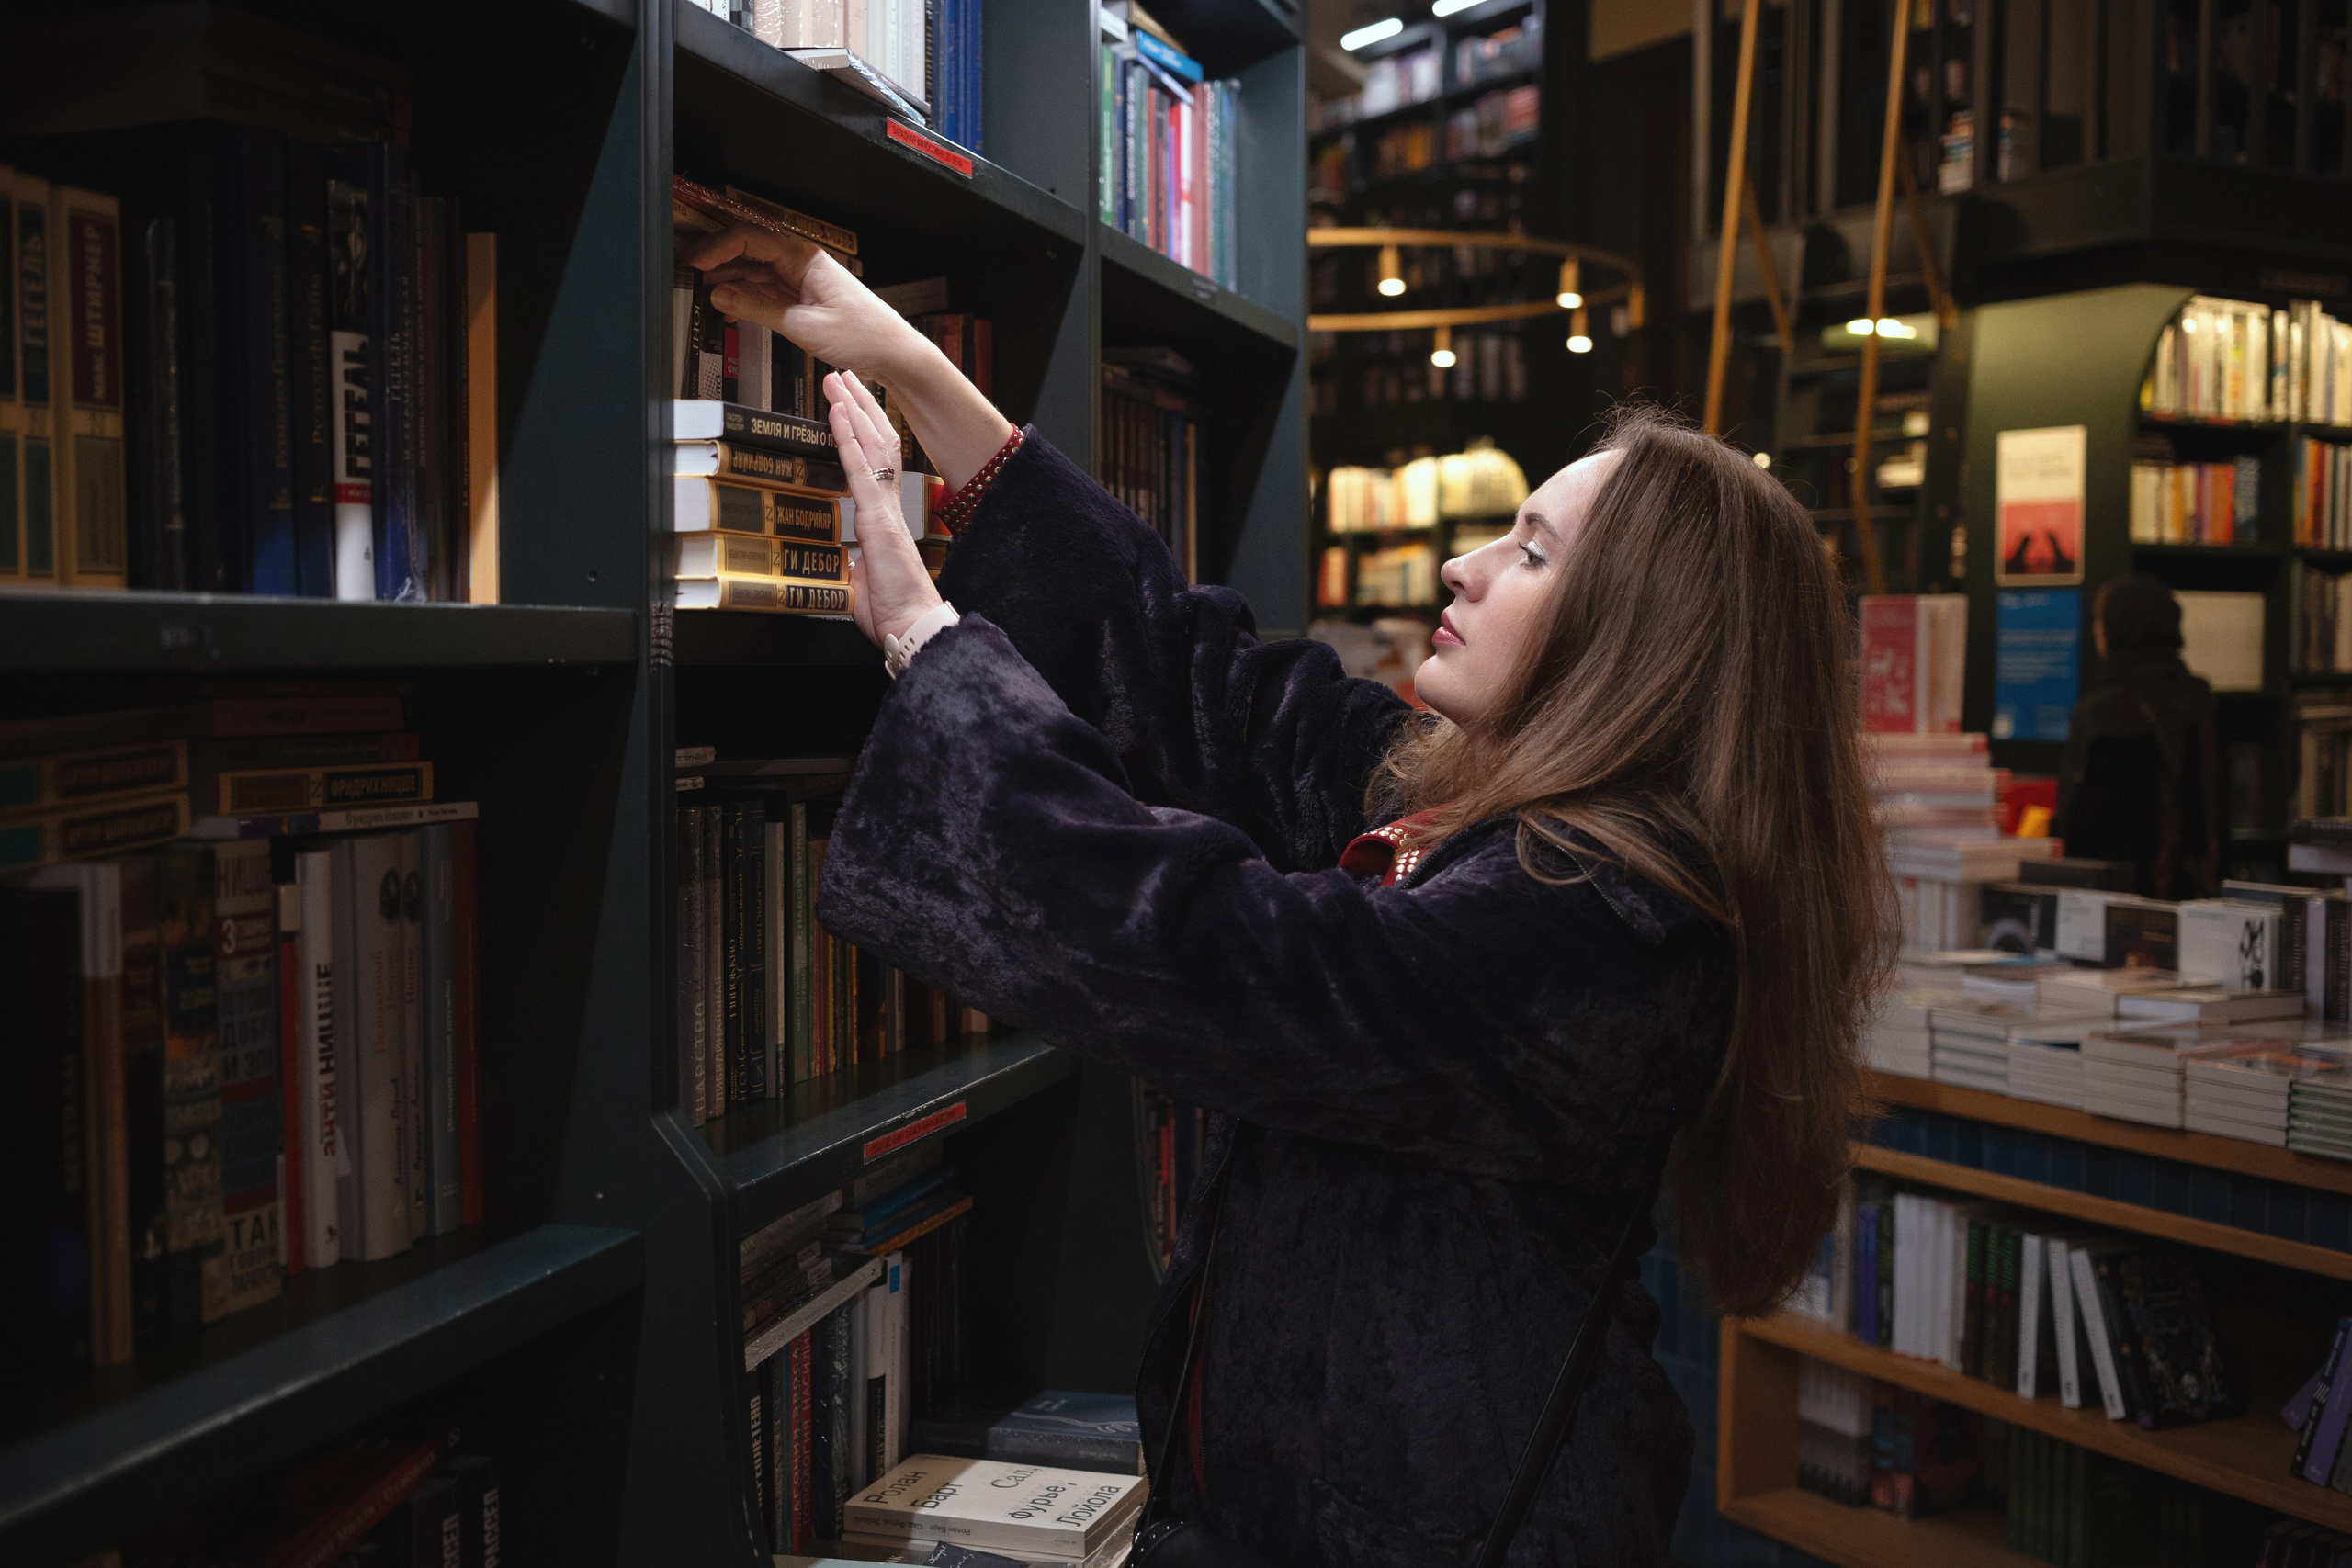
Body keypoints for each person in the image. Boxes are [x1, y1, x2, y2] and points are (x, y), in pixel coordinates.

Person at [687, 226, 1894, 1566]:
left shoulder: (1613, 922)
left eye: (1533, 553)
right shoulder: (1493, 803)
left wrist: (930, 646)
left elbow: (1223, 956)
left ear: (1643, 651)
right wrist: (920, 374)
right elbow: (1218, 692)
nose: (1463, 567)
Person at [2055, 574, 2221, 899]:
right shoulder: (2202, 702)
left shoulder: (2100, 713)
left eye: (2101, 621)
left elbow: (2080, 824)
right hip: (2194, 895)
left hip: (2116, 897)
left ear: (2115, 628)